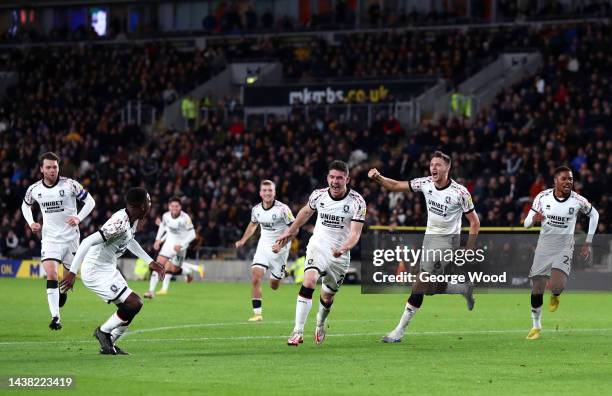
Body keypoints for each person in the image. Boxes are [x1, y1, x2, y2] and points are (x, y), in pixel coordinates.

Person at [368, 151, 480, 343]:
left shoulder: (460, 193)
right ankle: (462, 289)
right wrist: (378, 178)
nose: (433, 168)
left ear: (448, 168)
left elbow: (474, 221)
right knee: (427, 288)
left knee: (420, 282)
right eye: (431, 164)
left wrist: (469, 247)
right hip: (430, 238)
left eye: (438, 164)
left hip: (447, 242)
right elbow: (395, 185)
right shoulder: (426, 183)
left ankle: (399, 331)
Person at [60, 187, 165, 355]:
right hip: (95, 270)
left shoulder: (133, 218)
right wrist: (72, 273)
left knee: (131, 307)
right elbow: (87, 241)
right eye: (148, 202)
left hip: (108, 267)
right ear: (141, 206)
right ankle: (103, 332)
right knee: (134, 303)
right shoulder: (119, 223)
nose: (150, 206)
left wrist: (150, 261)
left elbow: (130, 241)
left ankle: (109, 344)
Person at [274, 160, 366, 346]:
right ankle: (297, 331)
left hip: (340, 253)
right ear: (327, 178)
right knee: (309, 281)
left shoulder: (357, 202)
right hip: (319, 245)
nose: (335, 181)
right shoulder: (318, 195)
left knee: (327, 296)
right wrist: (289, 231)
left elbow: (355, 234)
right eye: (332, 177)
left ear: (347, 179)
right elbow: (305, 213)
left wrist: (343, 248)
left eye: (340, 178)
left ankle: (320, 322)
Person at [21, 152, 96, 330]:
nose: (52, 170)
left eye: (55, 166)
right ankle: (55, 317)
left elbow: (91, 201)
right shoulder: (34, 189)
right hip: (50, 239)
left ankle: (62, 291)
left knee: (68, 279)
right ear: (41, 169)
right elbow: (25, 205)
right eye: (48, 167)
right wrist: (31, 222)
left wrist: (78, 218)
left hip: (71, 238)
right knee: (52, 274)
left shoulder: (70, 184)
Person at [523, 166, 599, 340]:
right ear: (555, 181)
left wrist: (588, 241)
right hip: (544, 246)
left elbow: (594, 215)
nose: (568, 182)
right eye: (564, 179)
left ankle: (555, 295)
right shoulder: (542, 197)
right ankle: (536, 326)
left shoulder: (577, 200)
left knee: (557, 286)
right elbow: (526, 223)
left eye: (570, 179)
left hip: (564, 246)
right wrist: (533, 220)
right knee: (537, 287)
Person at [235, 180, 295, 321]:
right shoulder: (256, 209)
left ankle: (281, 272)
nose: (267, 193)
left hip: (280, 249)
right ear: (260, 193)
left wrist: (281, 244)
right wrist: (243, 240)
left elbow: (294, 229)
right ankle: (257, 314)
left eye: (270, 190)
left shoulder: (283, 209)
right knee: (255, 278)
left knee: (274, 286)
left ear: (274, 192)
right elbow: (252, 225)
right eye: (265, 190)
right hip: (263, 246)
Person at [145, 197, 198, 298]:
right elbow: (162, 227)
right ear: (169, 207)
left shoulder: (185, 218)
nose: (174, 208)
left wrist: (181, 245)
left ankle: (188, 272)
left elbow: (193, 234)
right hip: (168, 244)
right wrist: (157, 240)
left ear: (180, 207)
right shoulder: (166, 216)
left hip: (181, 247)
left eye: (176, 206)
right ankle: (151, 291)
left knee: (174, 269)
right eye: (172, 206)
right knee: (158, 265)